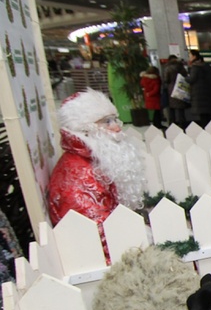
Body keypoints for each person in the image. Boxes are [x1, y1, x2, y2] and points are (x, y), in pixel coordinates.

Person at [47, 89, 145, 246]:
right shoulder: (78, 174)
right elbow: (96, 235)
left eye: (115, 120)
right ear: (85, 128)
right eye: (106, 122)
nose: (117, 128)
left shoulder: (93, 161)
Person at [186, 49, 211, 128]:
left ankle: (205, 128)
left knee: (203, 114)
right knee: (208, 112)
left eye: (190, 56)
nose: (189, 58)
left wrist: (185, 78)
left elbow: (192, 79)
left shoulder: (195, 67)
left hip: (199, 93)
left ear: (194, 56)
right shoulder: (206, 66)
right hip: (207, 92)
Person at [163, 55, 189, 128]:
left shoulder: (167, 68)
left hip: (171, 89)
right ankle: (182, 124)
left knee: (172, 109)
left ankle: (173, 125)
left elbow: (166, 79)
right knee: (180, 108)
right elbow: (186, 76)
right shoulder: (181, 67)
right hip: (181, 88)